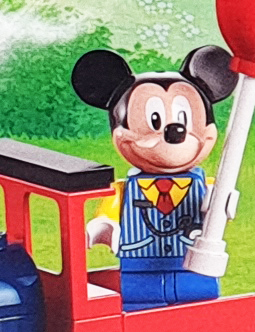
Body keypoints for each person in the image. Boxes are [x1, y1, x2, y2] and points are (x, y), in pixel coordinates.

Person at [75, 45, 236, 307]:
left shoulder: (206, 187)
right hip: (139, 268)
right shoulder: (123, 191)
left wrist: (222, 204)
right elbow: (107, 216)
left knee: (199, 310)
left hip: (193, 267)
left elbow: (220, 209)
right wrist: (102, 228)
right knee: (140, 311)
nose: (174, 132)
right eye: (154, 122)